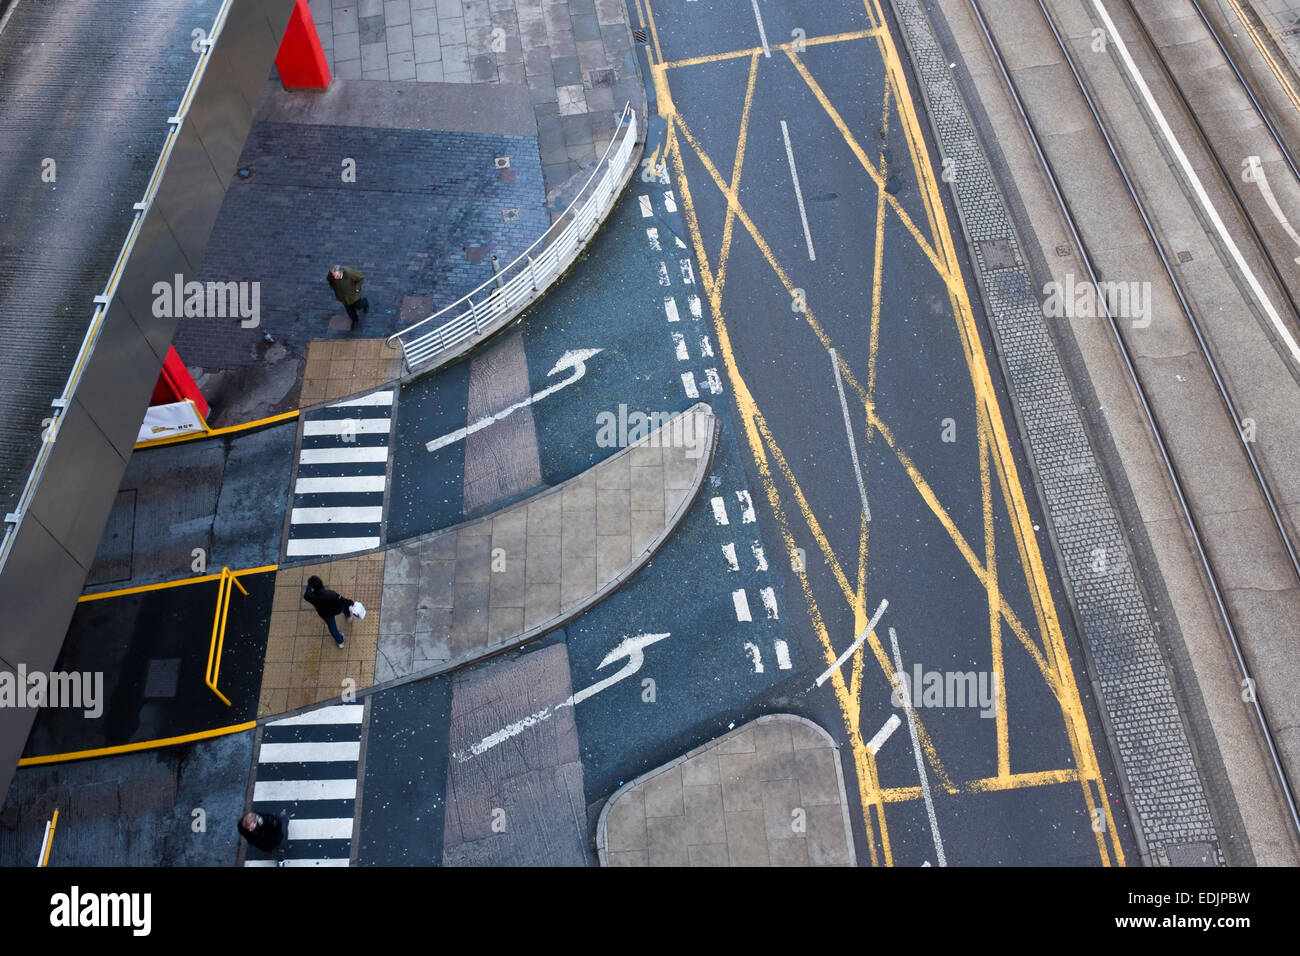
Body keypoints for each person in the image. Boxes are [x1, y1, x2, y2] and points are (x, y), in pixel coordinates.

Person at [303, 575, 353, 648]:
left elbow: (306, 594)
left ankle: (340, 642)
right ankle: (348, 617)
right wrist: (350, 602)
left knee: (332, 627)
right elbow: (342, 600)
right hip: (336, 609)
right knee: (345, 607)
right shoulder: (330, 594)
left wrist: (309, 584)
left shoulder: (310, 596)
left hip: (325, 614)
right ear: (322, 584)